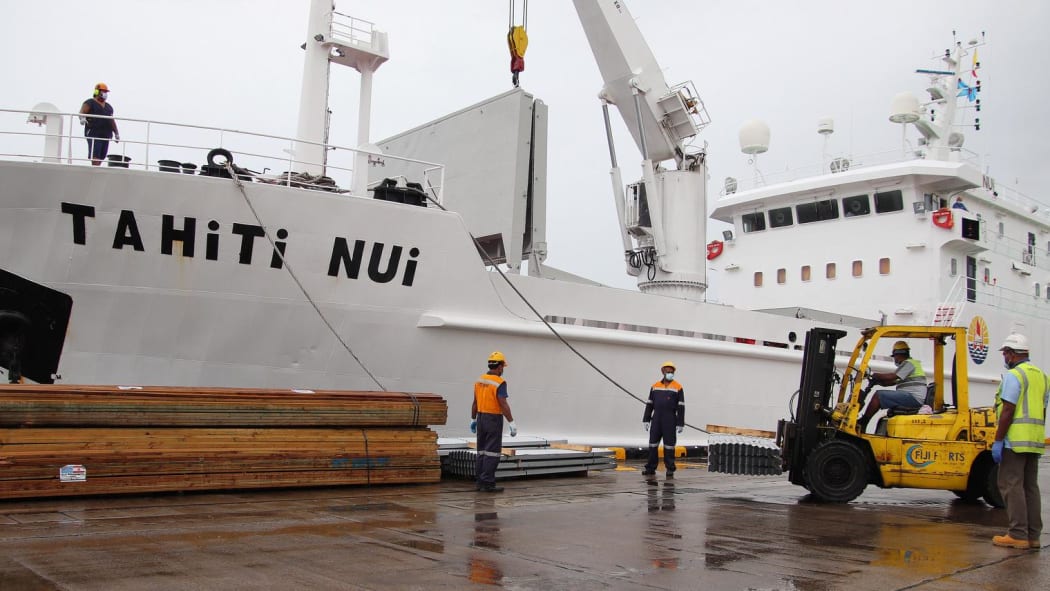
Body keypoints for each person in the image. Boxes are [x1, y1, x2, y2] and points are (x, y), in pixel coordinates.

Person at [991, 333, 1047, 549]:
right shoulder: (1042, 376)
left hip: (1015, 440)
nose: (1004, 357)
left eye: (1005, 353)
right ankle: (1033, 536)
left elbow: (1008, 409)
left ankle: (1017, 534)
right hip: (1034, 438)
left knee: (1010, 485)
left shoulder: (1015, 375)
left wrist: (999, 440)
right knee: (1029, 486)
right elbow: (1042, 408)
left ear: (1012, 354)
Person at [470, 351, 517, 493]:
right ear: (500, 366)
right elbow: (502, 403)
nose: (503, 369)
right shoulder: (499, 382)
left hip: (481, 418)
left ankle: (480, 482)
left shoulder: (479, 380)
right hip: (493, 419)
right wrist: (511, 422)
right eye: (503, 366)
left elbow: (475, 402)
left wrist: (473, 419)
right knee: (492, 453)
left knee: (482, 452)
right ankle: (488, 483)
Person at [858, 340, 927, 433]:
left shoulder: (909, 364)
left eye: (895, 357)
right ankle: (864, 422)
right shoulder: (907, 366)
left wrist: (875, 375)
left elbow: (892, 376)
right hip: (910, 396)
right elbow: (891, 382)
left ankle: (863, 422)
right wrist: (877, 382)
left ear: (899, 354)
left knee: (878, 395)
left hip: (913, 398)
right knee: (879, 393)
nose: (895, 359)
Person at [642, 361, 685, 477]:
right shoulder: (655, 386)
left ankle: (670, 468)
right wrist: (646, 419)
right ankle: (650, 468)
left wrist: (680, 423)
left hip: (670, 419)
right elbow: (649, 403)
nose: (670, 374)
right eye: (668, 371)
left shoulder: (678, 387)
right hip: (656, 419)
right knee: (652, 445)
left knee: (669, 446)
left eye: (672, 372)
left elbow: (681, 406)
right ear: (663, 372)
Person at [79, 82, 120, 166]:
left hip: (105, 134)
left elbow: (111, 120)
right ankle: (95, 170)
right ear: (97, 92)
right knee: (95, 154)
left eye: (106, 92)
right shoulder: (90, 102)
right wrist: (82, 118)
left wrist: (116, 133)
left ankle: (98, 168)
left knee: (102, 155)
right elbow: (82, 112)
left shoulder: (109, 107)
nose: (105, 94)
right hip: (94, 133)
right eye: (103, 91)